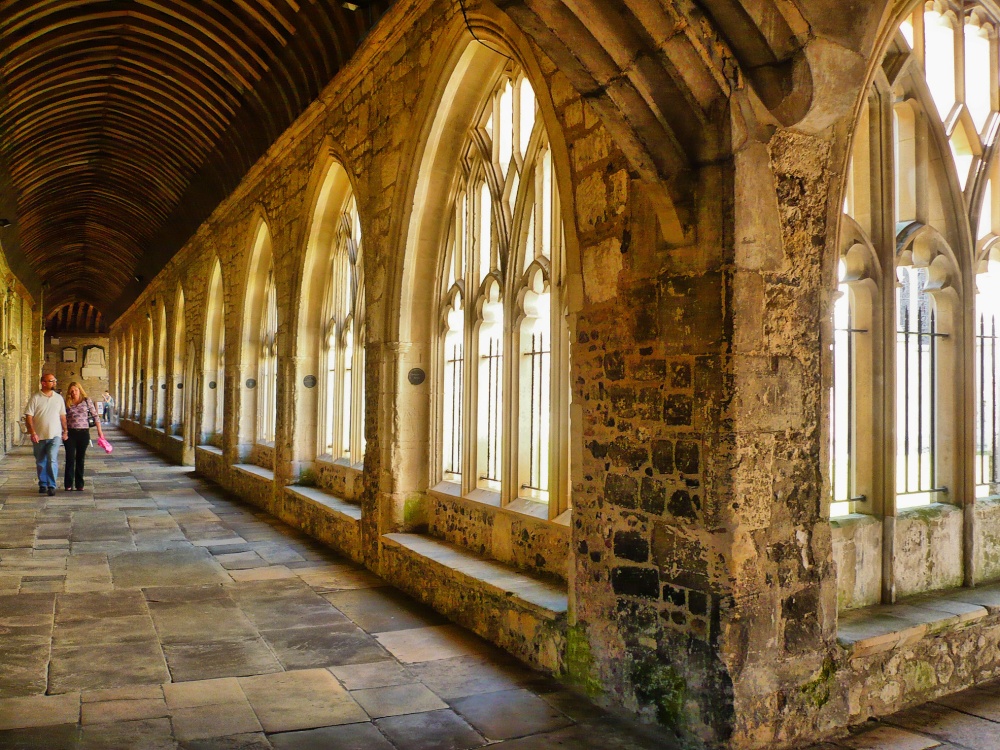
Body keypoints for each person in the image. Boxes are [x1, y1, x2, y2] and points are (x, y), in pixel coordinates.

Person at [24, 374, 67, 496]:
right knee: (41, 461)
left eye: (54, 380)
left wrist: (65, 430)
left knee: (52, 459)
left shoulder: (58, 398)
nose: (54, 383)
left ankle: (51, 485)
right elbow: (29, 416)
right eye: (51, 381)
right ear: (43, 383)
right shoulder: (35, 398)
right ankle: (43, 483)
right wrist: (33, 432)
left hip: (55, 435)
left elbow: (62, 416)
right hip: (39, 436)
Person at [64, 382, 104, 491]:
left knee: (80, 458)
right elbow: (62, 418)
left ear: (80, 390)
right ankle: (68, 484)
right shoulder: (67, 402)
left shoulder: (86, 401)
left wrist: (100, 432)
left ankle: (79, 484)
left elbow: (95, 416)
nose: (73, 393)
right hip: (70, 433)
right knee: (70, 458)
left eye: (75, 390)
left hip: (83, 433)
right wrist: (64, 431)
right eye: (71, 391)